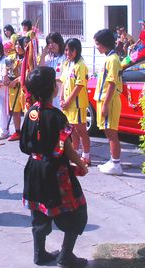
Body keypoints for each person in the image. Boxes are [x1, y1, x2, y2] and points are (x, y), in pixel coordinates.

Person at [20, 66, 88, 268]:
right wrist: (81, 163)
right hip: (55, 173)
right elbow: (64, 148)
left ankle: (39, 253)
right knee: (77, 210)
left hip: (34, 168)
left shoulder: (31, 113)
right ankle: (66, 255)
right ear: (52, 89)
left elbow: (24, 144)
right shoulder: (57, 116)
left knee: (39, 211)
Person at [93, 29, 123, 175]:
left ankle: (116, 164)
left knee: (111, 133)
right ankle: (112, 160)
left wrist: (105, 104)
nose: (97, 47)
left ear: (104, 44)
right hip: (104, 99)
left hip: (109, 100)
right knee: (108, 132)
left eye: (98, 44)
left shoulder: (113, 59)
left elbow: (111, 83)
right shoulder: (109, 58)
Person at [59, 38, 91, 166]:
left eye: (71, 50)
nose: (68, 53)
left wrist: (68, 101)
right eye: (66, 49)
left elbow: (79, 86)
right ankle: (75, 153)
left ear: (77, 50)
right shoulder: (67, 64)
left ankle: (86, 156)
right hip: (67, 104)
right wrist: (61, 98)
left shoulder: (80, 65)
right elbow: (63, 82)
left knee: (81, 130)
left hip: (77, 104)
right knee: (72, 130)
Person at [39, 32, 66, 108]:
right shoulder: (48, 58)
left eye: (53, 42)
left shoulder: (65, 57)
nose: (51, 45)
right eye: (49, 43)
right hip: (50, 94)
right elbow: (40, 70)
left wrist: (51, 79)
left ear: (59, 43)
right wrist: (43, 54)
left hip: (61, 93)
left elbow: (65, 77)